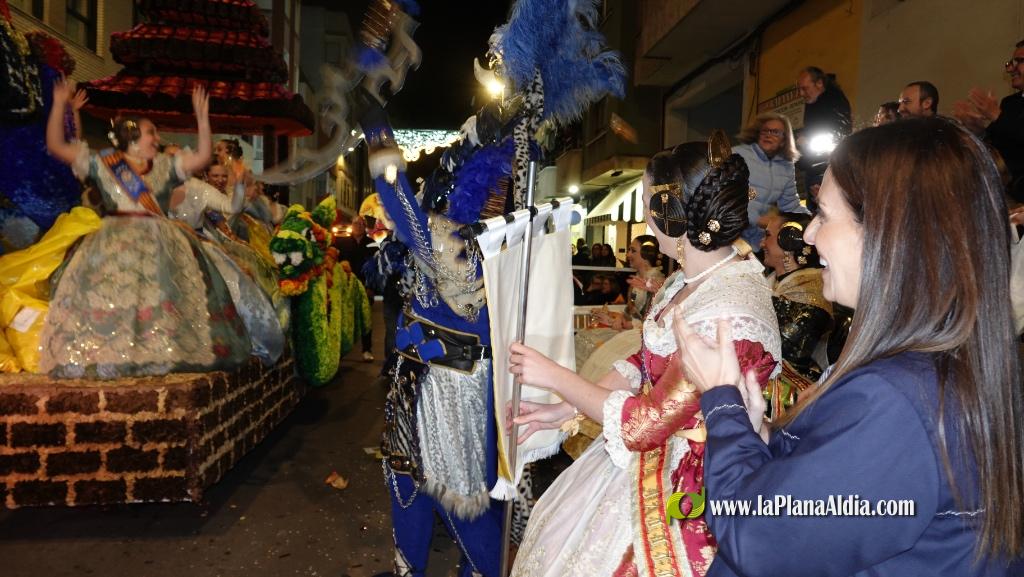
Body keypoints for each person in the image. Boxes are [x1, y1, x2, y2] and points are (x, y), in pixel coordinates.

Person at [677, 117, 1024, 576]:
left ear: (889, 233)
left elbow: (757, 540)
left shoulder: (896, 400)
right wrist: (758, 438)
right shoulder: (933, 369)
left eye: (824, 215)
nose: (810, 234)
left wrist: (721, 403)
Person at [508, 138, 781, 577]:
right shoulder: (688, 281)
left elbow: (645, 424)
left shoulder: (730, 310)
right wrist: (565, 407)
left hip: (694, 485)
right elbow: (645, 363)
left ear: (670, 212)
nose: (646, 220)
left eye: (647, 205)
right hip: (648, 462)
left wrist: (556, 376)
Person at [40, 80, 283, 377]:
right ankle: (110, 354)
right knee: (115, 299)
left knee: (160, 300)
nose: (156, 138)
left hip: (159, 240)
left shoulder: (164, 167)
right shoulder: (104, 163)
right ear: (132, 138)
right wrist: (59, 105)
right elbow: (56, 146)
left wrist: (202, 119)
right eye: (150, 132)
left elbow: (202, 157)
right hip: (114, 241)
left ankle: (156, 353)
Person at [760, 212, 832, 415]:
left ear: (788, 241)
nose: (762, 243)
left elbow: (783, 349)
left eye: (768, 235)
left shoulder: (812, 289)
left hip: (792, 383)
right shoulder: (773, 281)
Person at [953, 39, 1024, 202]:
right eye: (1010, 63)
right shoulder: (1009, 103)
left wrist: (997, 116)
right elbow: (996, 147)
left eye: (1018, 61)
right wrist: (978, 131)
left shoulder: (1000, 112)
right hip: (1009, 196)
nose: (1010, 69)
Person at [733, 112, 808, 250]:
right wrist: (758, 220)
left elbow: (790, 204)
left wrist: (810, 221)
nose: (768, 135)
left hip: (755, 239)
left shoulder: (786, 167)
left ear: (784, 140)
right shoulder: (737, 154)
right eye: (765, 130)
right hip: (728, 231)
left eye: (775, 132)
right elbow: (724, 196)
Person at [795, 66, 852, 190]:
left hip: (828, 169)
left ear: (819, 83)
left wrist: (808, 141)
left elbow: (839, 133)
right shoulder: (813, 102)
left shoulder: (835, 101)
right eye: (799, 89)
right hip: (815, 167)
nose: (801, 94)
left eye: (805, 88)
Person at [335, 215, 378, 362]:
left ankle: (367, 350)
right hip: (347, 287)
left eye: (360, 224)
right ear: (351, 226)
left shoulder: (372, 244)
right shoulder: (342, 243)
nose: (358, 226)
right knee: (345, 319)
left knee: (366, 320)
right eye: (355, 223)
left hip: (365, 287)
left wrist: (371, 287)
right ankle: (341, 350)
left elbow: (376, 268)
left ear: (364, 226)